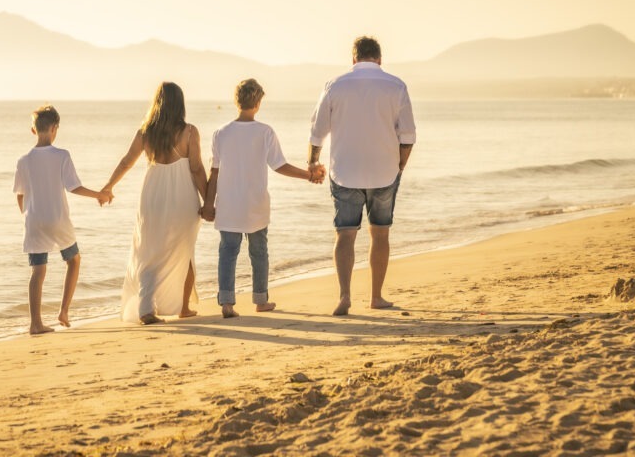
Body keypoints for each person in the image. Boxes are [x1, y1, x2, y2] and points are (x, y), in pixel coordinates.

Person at [308, 36, 416, 315]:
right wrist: (399, 166)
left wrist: (312, 162)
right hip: (385, 171)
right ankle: (376, 297)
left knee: (345, 236)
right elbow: (408, 136)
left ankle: (344, 296)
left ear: (353, 59)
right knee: (380, 234)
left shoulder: (334, 85)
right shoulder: (396, 85)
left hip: (344, 171)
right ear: (380, 59)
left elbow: (317, 131)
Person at [200, 79, 325, 318]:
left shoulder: (220, 133)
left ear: (237, 101)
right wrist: (308, 175)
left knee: (227, 252)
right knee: (259, 252)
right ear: (258, 103)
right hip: (255, 204)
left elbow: (214, 172)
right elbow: (280, 166)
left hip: (227, 205)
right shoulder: (265, 131)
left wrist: (208, 203)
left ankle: (227, 303)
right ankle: (260, 300)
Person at [102, 82, 208, 325]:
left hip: (152, 196)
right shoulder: (189, 132)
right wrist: (209, 201)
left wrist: (109, 186)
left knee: (149, 251)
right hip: (182, 196)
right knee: (185, 249)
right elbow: (197, 168)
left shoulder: (145, 132)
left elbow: (127, 161)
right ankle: (183, 307)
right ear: (180, 103)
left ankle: (146, 308)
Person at [13, 105, 112, 335]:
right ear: (55, 128)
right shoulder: (61, 155)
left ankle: (35, 323)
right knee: (73, 261)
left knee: (38, 272)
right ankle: (64, 311)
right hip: (58, 219)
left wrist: (27, 217)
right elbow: (73, 187)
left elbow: (20, 195)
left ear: (33, 130)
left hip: (34, 220)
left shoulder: (23, 160)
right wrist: (100, 194)